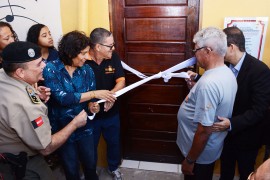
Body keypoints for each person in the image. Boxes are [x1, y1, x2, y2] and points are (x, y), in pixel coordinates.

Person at [0, 41, 88, 179]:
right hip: (20, 163)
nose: (44, 65)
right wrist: (75, 124)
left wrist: (32, 91)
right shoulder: (27, 106)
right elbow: (46, 147)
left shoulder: (5, 74)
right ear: (20, 72)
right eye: (38, 64)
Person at [43, 30, 116, 180]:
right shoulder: (51, 69)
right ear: (70, 53)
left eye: (87, 52)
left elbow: (90, 102)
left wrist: (93, 106)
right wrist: (94, 94)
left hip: (85, 128)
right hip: (63, 130)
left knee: (90, 165)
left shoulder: (87, 70)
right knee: (71, 169)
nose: (86, 57)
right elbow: (62, 98)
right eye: (82, 53)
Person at [176, 27, 237, 180]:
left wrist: (190, 160)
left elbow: (204, 130)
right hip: (210, 149)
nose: (194, 54)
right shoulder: (226, 72)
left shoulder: (209, 83)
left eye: (196, 50)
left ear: (208, 51)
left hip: (199, 156)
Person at [211, 26, 270, 180]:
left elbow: (259, 110)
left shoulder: (259, 70)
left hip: (247, 137)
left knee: (246, 173)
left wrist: (231, 123)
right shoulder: (223, 67)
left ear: (231, 47)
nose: (217, 52)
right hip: (225, 135)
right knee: (226, 172)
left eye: (221, 47)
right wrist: (196, 79)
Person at [85, 27, 125, 180]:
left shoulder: (113, 57)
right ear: (98, 47)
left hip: (111, 112)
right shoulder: (83, 60)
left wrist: (111, 97)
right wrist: (90, 104)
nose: (113, 48)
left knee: (114, 143)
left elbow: (121, 80)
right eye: (110, 45)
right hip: (90, 114)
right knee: (90, 146)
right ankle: (91, 172)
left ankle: (114, 168)